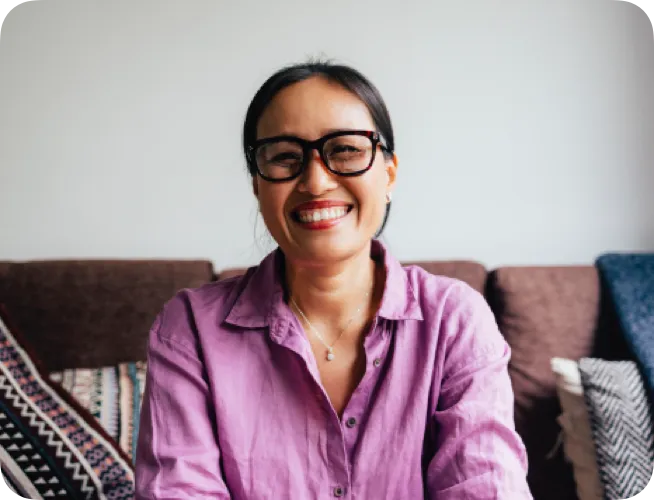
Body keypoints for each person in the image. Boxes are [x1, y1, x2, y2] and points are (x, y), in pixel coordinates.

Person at [135, 60, 533, 499]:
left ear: (389, 173)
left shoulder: (454, 319)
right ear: (256, 186)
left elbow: (486, 487)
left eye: (344, 150)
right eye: (285, 156)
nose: (316, 180)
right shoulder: (189, 327)